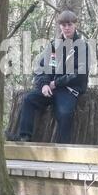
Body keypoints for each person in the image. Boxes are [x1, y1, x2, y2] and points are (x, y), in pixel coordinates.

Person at [18, 10, 89, 144]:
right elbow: (42, 68)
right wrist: (44, 84)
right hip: (50, 88)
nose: (66, 28)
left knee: (64, 113)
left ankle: (63, 147)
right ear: (60, 26)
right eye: (63, 25)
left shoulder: (82, 46)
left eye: (69, 24)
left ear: (75, 25)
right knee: (28, 99)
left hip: (68, 89)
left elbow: (79, 73)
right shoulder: (53, 45)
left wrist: (56, 83)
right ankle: (24, 138)